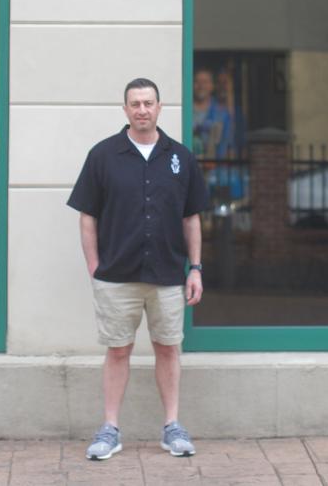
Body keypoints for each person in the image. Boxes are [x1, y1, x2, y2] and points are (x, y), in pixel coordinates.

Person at [68, 77, 208, 461]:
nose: (142, 109)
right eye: (135, 104)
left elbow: (191, 218)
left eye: (149, 103)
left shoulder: (180, 157)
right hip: (117, 277)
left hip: (167, 276)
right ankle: (110, 428)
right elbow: (87, 217)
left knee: (168, 349)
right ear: (125, 109)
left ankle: (172, 427)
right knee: (117, 352)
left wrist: (194, 268)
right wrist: (95, 267)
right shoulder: (103, 156)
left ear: (160, 108)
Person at [191, 68, 235, 159]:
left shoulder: (222, 113)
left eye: (205, 82)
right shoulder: (184, 110)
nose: (201, 86)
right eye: (197, 82)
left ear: (212, 86)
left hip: (215, 168)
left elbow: (227, 144)